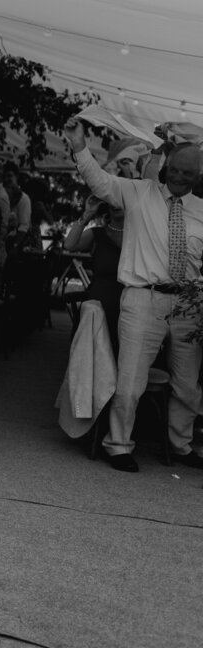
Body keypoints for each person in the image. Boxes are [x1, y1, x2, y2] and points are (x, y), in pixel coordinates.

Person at [64, 118, 203, 472]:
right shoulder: (138, 192)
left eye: (188, 174)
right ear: (165, 167)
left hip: (188, 304)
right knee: (130, 382)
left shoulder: (201, 211)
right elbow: (99, 180)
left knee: (187, 387)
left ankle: (181, 445)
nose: (180, 178)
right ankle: (119, 445)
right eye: (175, 170)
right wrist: (79, 145)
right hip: (143, 298)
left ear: (198, 176)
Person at [61, 195, 123, 351]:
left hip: (130, 306)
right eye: (113, 200)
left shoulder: (140, 235)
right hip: (99, 305)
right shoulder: (97, 234)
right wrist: (87, 214)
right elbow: (69, 244)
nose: (116, 204)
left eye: (121, 199)